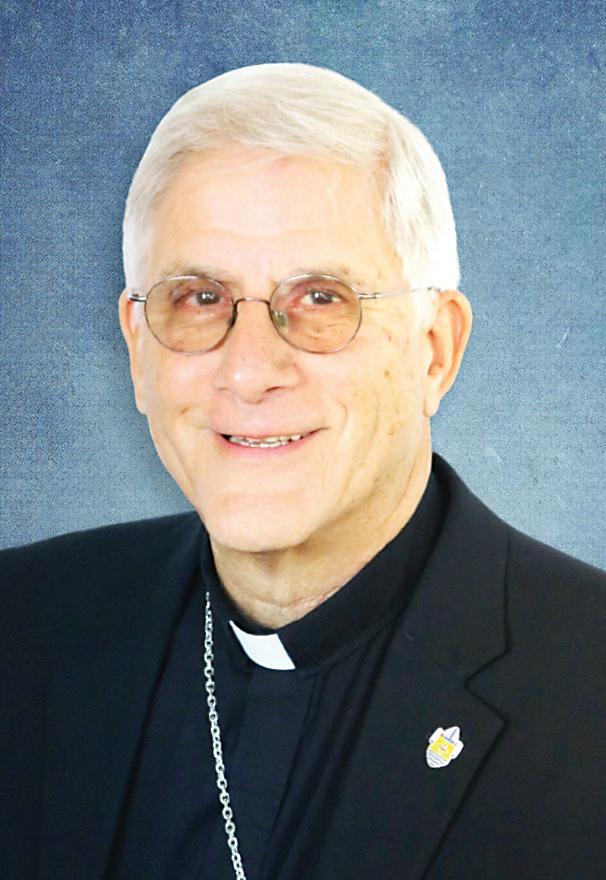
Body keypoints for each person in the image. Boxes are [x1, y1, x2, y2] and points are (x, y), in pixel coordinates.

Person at [1, 63, 604, 880]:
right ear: (139, 351)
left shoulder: (589, 686)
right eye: (199, 298)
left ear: (435, 350)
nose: (250, 372)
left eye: (321, 299)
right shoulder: (20, 628)